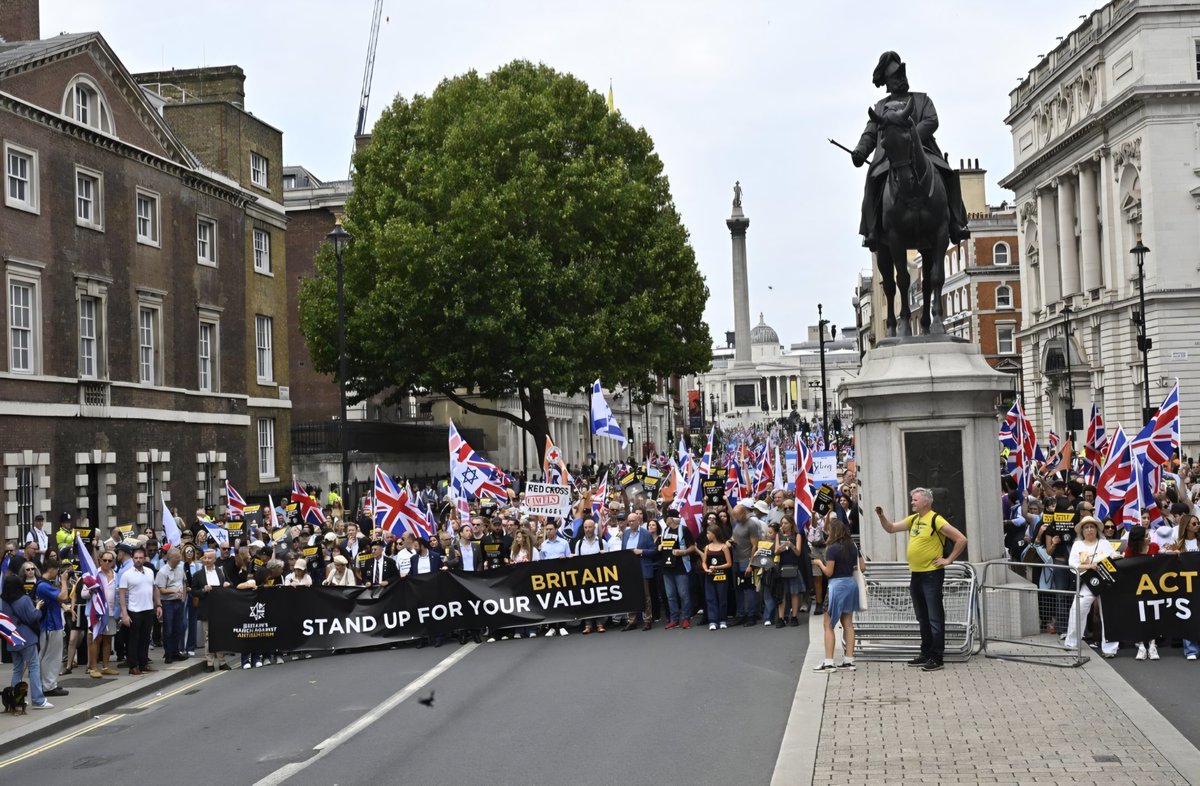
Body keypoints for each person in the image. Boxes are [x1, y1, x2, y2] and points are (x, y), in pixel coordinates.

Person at [851, 51, 970, 250]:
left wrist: (912, 139)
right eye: (896, 77)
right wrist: (860, 151)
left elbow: (932, 121)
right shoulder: (880, 108)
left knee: (948, 174)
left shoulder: (922, 100)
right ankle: (871, 229)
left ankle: (956, 222)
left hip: (924, 151)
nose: (901, 79)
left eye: (902, 74)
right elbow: (870, 134)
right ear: (887, 82)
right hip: (890, 156)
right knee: (872, 179)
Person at [875, 487, 967, 672]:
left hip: (931, 575)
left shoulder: (936, 519)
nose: (912, 503)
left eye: (915, 500)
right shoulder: (914, 519)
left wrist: (948, 560)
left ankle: (937, 657)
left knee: (934, 617)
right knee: (922, 617)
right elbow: (891, 528)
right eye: (912, 500)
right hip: (916, 574)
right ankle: (925, 653)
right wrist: (881, 516)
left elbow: (961, 539)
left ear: (926, 501)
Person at [811, 517, 865, 672]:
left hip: (837, 586)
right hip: (851, 585)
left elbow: (829, 572)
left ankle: (828, 662)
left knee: (828, 624)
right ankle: (849, 659)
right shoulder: (853, 546)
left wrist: (819, 563)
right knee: (848, 623)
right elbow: (863, 567)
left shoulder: (832, 548)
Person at [1063, 516, 1120, 658]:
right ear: (1082, 530)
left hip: (1106, 583)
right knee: (1078, 608)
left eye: (1092, 527)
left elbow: (1113, 557)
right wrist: (1090, 566)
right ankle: (1072, 642)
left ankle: (1110, 648)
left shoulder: (1104, 543)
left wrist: (1117, 556)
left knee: (1108, 613)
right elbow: (1073, 564)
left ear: (1096, 529)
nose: (1089, 530)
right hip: (1088, 583)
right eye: (1086, 527)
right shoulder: (1077, 545)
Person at [2, 573, 51, 708]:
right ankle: (38, 700)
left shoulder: (3, 601)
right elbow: (33, 617)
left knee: (17, 669)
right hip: (27, 637)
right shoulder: (24, 599)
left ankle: (16, 700)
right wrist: (38, 608)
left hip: (11, 637)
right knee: (34, 667)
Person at [118, 546, 162, 675]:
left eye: (140, 558)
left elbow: (154, 589)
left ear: (144, 559)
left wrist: (158, 605)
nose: (138, 560)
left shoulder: (149, 571)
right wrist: (124, 614)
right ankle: (133, 666)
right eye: (136, 558)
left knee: (145, 639)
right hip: (134, 610)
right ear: (132, 558)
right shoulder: (127, 574)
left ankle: (143, 664)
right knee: (134, 640)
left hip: (148, 609)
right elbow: (121, 595)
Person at [191, 548, 232, 672]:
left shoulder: (220, 571)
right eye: (205, 558)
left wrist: (227, 584)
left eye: (210, 558)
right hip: (206, 608)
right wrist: (203, 590)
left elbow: (229, 583)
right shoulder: (198, 575)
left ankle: (222, 661)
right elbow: (193, 591)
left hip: (219, 607)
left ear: (215, 559)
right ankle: (210, 663)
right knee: (208, 636)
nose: (207, 560)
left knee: (220, 635)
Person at [1123, 525, 1160, 661]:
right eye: (1146, 536)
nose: (1149, 537)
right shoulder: (1130, 551)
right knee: (1139, 616)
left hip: (1154, 587)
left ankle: (1152, 645)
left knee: (1152, 615)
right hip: (1136, 588)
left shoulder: (1155, 547)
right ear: (1138, 539)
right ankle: (1141, 647)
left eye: (1148, 534)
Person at [659, 508, 697, 630]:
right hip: (667, 567)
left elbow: (693, 547)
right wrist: (660, 546)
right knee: (670, 595)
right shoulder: (665, 531)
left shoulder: (683, 530)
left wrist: (683, 552)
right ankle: (674, 619)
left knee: (683, 594)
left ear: (672, 518)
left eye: (667, 517)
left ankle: (686, 618)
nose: (666, 519)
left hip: (681, 567)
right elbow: (663, 545)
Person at [154, 547, 188, 664]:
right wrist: (173, 591)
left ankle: (176, 652)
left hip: (179, 601)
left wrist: (183, 596)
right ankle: (168, 653)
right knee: (168, 629)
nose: (179, 560)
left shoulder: (180, 568)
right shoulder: (162, 572)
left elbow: (183, 582)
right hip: (168, 602)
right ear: (171, 558)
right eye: (177, 558)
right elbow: (161, 589)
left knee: (178, 628)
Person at [775, 516, 806, 627]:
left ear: (791, 524)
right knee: (782, 594)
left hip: (793, 566)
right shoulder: (778, 535)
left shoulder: (797, 535)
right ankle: (781, 618)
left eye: (786, 523)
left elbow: (798, 553)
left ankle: (794, 616)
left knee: (794, 593)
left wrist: (791, 545)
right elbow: (776, 551)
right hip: (781, 566)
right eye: (782, 523)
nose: (783, 525)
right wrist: (783, 546)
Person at [701, 524, 732, 630]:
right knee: (710, 598)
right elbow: (704, 562)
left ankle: (722, 620)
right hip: (710, 576)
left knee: (722, 598)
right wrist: (706, 569)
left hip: (721, 576)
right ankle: (712, 621)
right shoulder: (707, 547)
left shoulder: (724, 547)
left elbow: (729, 563)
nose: (707, 535)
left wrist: (717, 567)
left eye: (708, 533)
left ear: (714, 534)